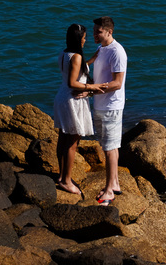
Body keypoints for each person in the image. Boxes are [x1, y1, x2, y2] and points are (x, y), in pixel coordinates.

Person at [52, 23, 94, 197]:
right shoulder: (76, 56)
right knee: (72, 142)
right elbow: (72, 82)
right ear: (78, 39)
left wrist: (92, 60)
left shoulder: (64, 53)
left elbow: (75, 69)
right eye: (84, 37)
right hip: (73, 100)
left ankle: (62, 176)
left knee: (63, 138)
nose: (85, 40)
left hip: (62, 97)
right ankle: (67, 181)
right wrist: (93, 87)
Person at [89, 15, 127, 204]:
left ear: (109, 31)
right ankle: (115, 183)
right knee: (110, 147)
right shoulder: (101, 49)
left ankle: (109, 190)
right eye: (94, 31)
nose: (95, 34)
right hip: (101, 103)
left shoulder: (116, 51)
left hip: (111, 105)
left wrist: (91, 90)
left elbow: (117, 83)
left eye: (99, 31)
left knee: (110, 148)